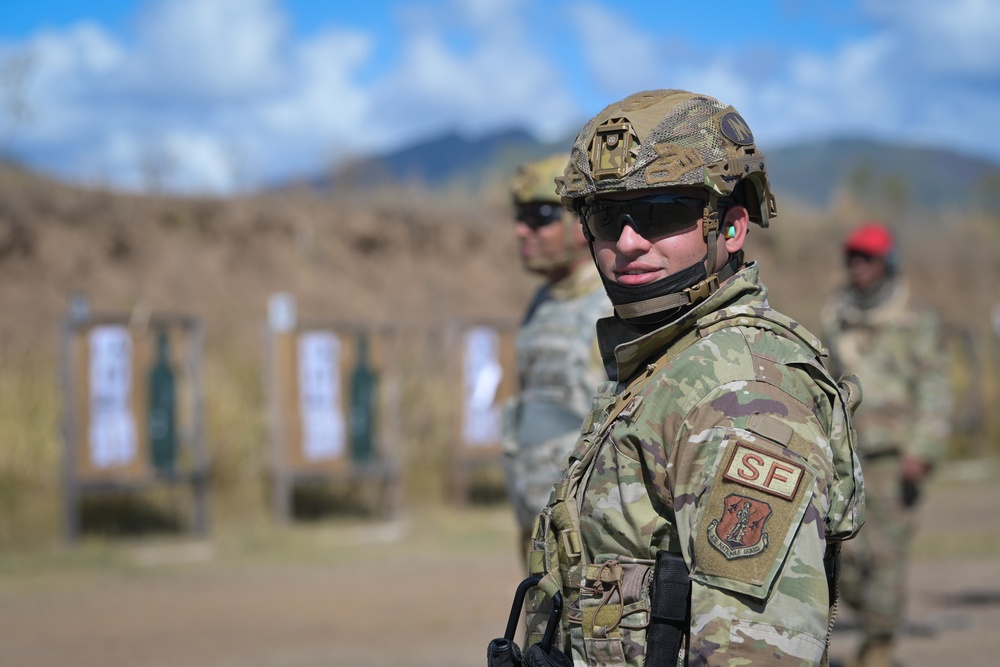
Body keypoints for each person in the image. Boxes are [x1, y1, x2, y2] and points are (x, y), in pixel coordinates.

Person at [518, 90, 866, 667]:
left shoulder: (741, 394)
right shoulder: (671, 360)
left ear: (730, 228)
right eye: (608, 217)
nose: (628, 242)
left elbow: (758, 652)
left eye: (660, 213)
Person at [820, 221, 951, 667]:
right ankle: (870, 617)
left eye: (867, 258)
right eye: (852, 256)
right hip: (846, 453)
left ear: (886, 263)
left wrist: (923, 450)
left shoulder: (916, 320)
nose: (857, 265)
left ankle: (879, 646)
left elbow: (935, 388)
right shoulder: (835, 315)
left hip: (896, 458)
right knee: (843, 553)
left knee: (887, 559)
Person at [501, 154, 613, 561]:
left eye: (540, 216)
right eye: (519, 216)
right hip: (539, 532)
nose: (521, 230)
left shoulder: (610, 308)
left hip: (590, 545)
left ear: (583, 223)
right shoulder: (543, 301)